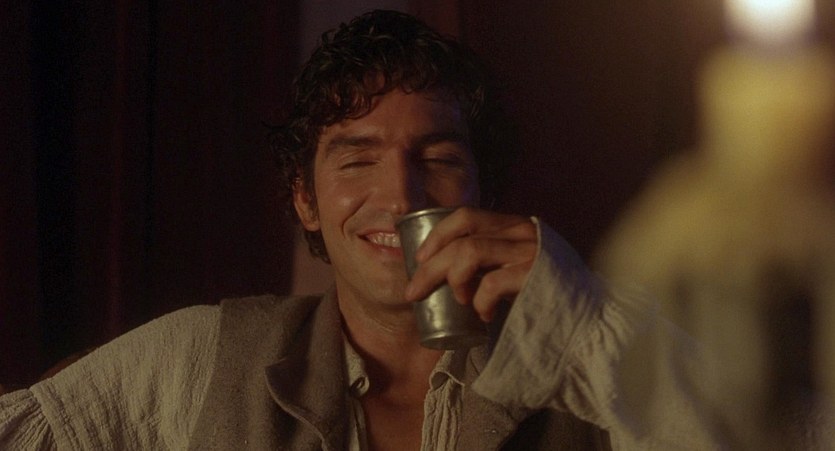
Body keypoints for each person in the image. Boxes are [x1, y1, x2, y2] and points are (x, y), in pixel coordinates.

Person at [0, 10, 718, 450]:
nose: (400, 195)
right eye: (357, 159)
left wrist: (588, 325)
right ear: (306, 200)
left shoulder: (589, 363)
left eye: (438, 158)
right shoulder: (201, 358)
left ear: (484, 190)